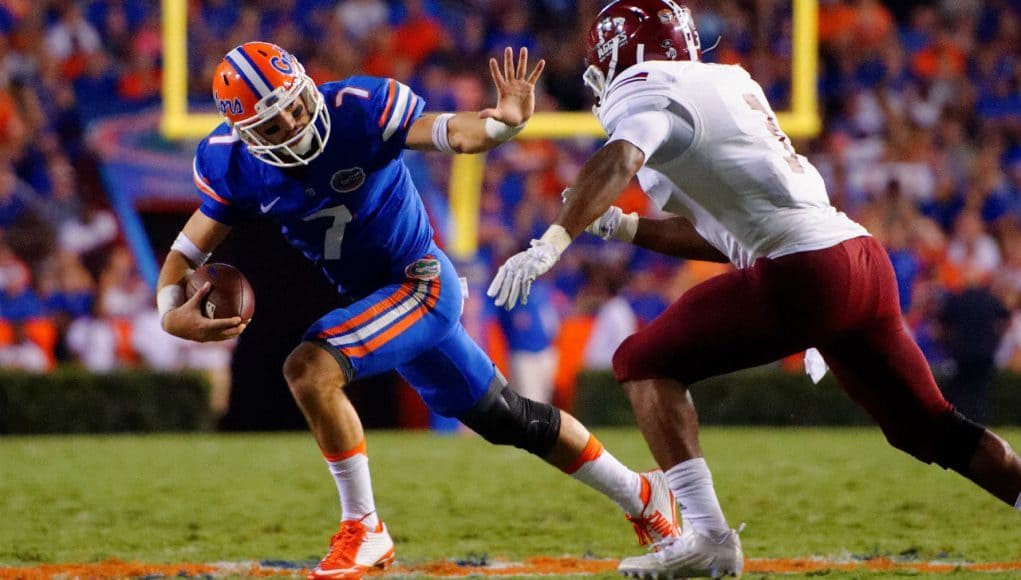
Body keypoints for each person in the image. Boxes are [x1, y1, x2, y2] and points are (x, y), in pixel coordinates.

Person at [487, 1, 1021, 578]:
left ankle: (710, 537)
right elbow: (731, 238)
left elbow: (621, 155)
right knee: (927, 427)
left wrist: (552, 242)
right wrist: (625, 225)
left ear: (626, 53)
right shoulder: (727, 81)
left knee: (642, 362)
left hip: (806, 272)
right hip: (860, 261)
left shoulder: (646, 85)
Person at [155, 41, 682, 580]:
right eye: (272, 124)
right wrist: (170, 311)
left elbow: (452, 131)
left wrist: (501, 126)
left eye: (295, 103)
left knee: (308, 369)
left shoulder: (358, 109)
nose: (292, 122)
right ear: (245, 136)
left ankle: (364, 529)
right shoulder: (231, 164)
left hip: (420, 284)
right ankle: (643, 495)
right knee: (507, 417)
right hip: (377, 301)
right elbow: (184, 254)